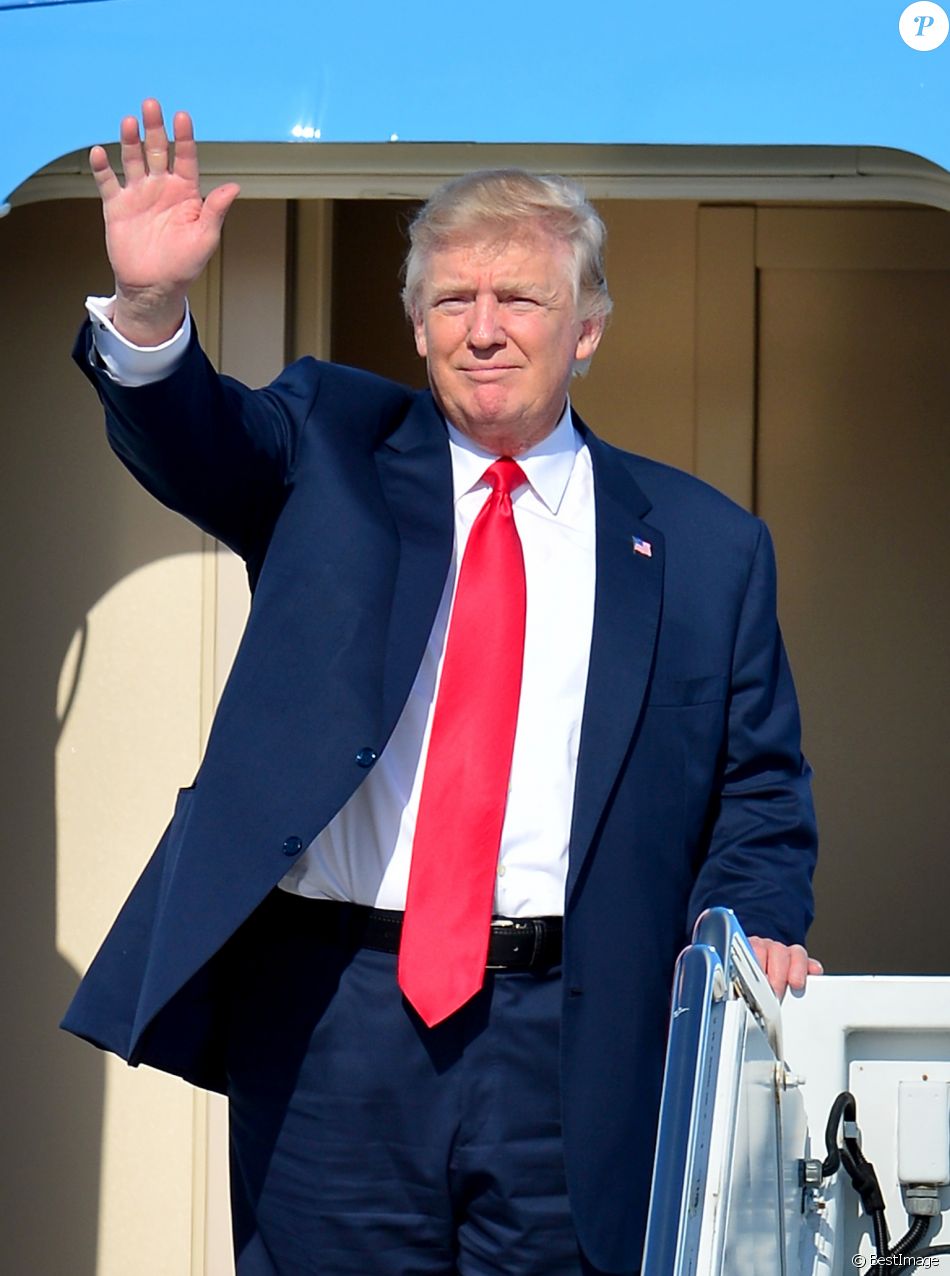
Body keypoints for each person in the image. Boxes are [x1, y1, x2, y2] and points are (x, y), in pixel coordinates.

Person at [63, 99, 821, 1276]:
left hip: (575, 1035)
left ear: (586, 329)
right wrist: (154, 309)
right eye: (450, 302)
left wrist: (752, 925)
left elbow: (758, 792)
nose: (482, 329)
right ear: (414, 329)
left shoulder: (704, 545)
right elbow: (195, 439)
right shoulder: (330, 453)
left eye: (517, 298)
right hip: (332, 1022)